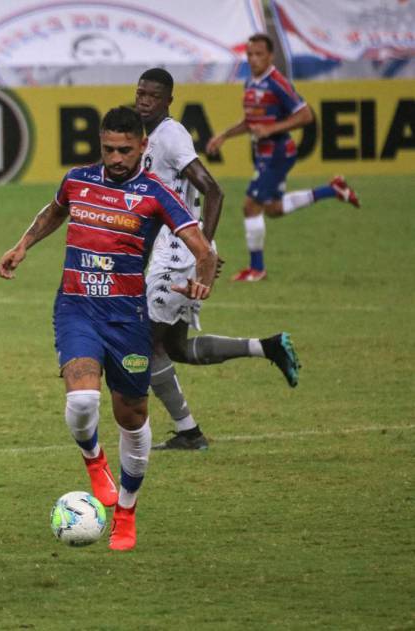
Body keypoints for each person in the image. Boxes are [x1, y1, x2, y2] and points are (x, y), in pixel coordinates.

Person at [0, 107, 217, 551]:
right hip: (76, 306)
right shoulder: (78, 179)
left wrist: (203, 279)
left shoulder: (156, 194)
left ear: (142, 147)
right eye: (108, 149)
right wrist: (23, 245)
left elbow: (201, 247)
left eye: (124, 149)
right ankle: (95, 462)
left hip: (127, 318)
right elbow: (55, 211)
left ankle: (126, 512)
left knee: (131, 417)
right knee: (81, 401)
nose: (115, 158)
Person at [135, 68, 302, 451]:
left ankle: (190, 433)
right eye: (140, 92)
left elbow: (214, 190)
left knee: (146, 343)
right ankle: (268, 346)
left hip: (177, 254)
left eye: (153, 96)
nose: (144, 100)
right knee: (175, 348)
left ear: (168, 101)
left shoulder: (172, 136)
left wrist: (203, 249)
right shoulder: (153, 137)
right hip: (175, 249)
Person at [206, 33, 359, 282]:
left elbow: (306, 115)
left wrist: (271, 129)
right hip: (263, 154)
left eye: (259, 54)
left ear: (270, 55)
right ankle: (333, 190)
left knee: (250, 206)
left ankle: (257, 269)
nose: (254, 59)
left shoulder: (278, 82)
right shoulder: (250, 82)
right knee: (274, 209)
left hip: (277, 153)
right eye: (250, 54)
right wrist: (224, 136)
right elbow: (251, 122)